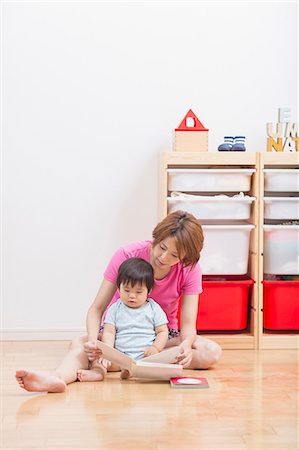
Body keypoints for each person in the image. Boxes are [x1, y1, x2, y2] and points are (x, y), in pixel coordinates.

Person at [15, 210, 222, 393]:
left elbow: (187, 325)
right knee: (79, 344)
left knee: (210, 351)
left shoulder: (190, 270)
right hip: (118, 336)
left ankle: (131, 365)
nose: (163, 257)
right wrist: (95, 343)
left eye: (175, 255)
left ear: (186, 258)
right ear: (156, 237)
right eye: (161, 247)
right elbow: (97, 309)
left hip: (161, 339)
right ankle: (58, 378)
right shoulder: (127, 254)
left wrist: (185, 345)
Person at [89, 257, 169, 380]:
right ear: (118, 287)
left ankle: (133, 370)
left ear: (149, 291)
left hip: (146, 356)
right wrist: (108, 352)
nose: (132, 296)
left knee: (163, 360)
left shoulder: (153, 308)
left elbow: (163, 331)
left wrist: (155, 348)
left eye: (138, 292)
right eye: (126, 290)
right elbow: (109, 332)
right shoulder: (115, 309)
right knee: (100, 360)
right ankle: (98, 372)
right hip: (121, 358)